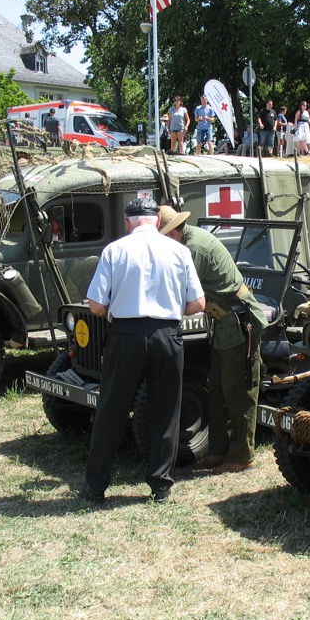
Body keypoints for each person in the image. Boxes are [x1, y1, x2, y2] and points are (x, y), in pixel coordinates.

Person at [82, 197, 206, 505]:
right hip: (167, 335)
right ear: (157, 222)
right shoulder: (180, 251)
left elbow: (96, 306)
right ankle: (160, 485)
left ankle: (96, 486)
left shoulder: (114, 250)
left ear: (128, 222)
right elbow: (198, 304)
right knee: (166, 410)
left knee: (111, 409)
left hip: (125, 335)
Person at [159, 205, 267, 474]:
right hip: (222, 323)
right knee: (217, 390)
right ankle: (219, 451)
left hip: (238, 322)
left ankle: (243, 456)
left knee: (239, 391)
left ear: (171, 232)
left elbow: (179, 292)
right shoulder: (186, 241)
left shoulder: (193, 250)